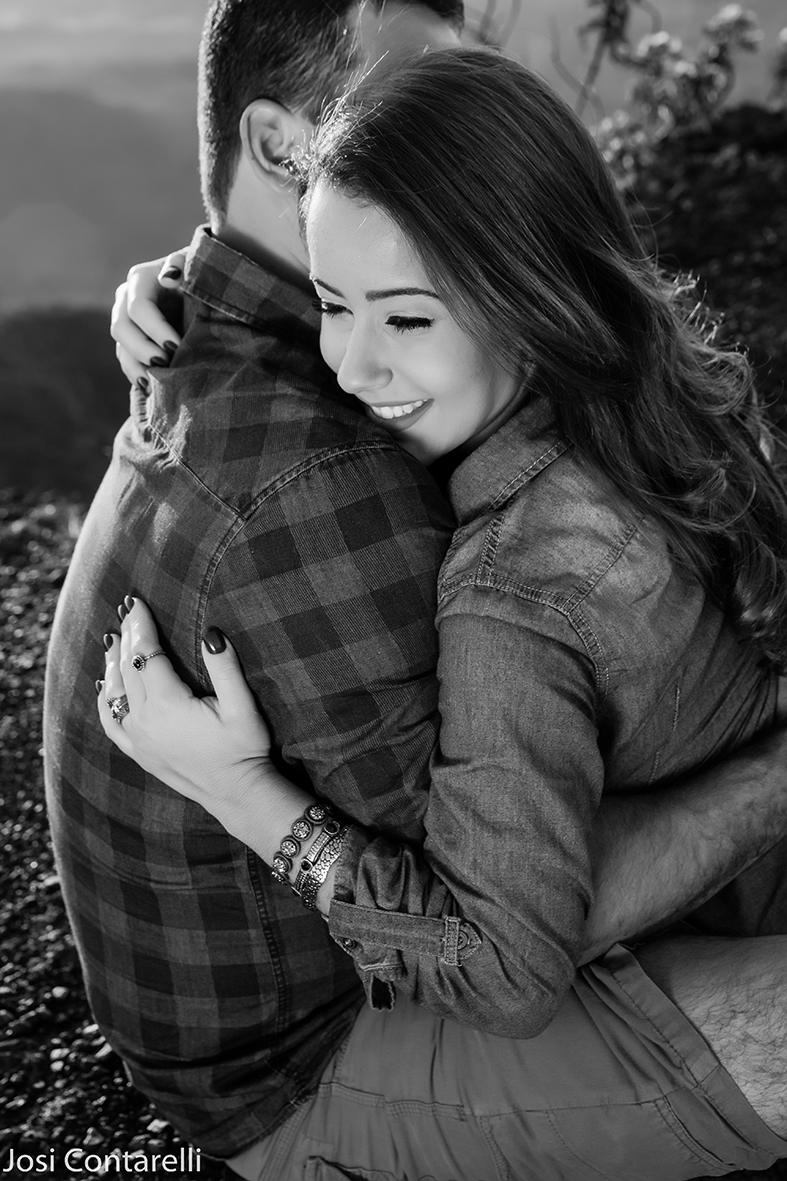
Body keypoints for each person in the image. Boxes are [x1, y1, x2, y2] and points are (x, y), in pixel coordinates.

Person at [99, 47, 787, 1181]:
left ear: (527, 297)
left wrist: (247, 795)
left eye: (407, 320)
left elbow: (503, 973)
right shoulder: (650, 399)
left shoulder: (509, 592)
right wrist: (175, 286)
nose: (350, 364)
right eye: (331, 303)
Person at [43, 0, 465, 1166]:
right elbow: (486, 936)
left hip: (232, 1040)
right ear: (282, 147)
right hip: (315, 1071)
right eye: (415, 107)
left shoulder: (211, 334)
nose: (464, 143)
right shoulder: (314, 476)